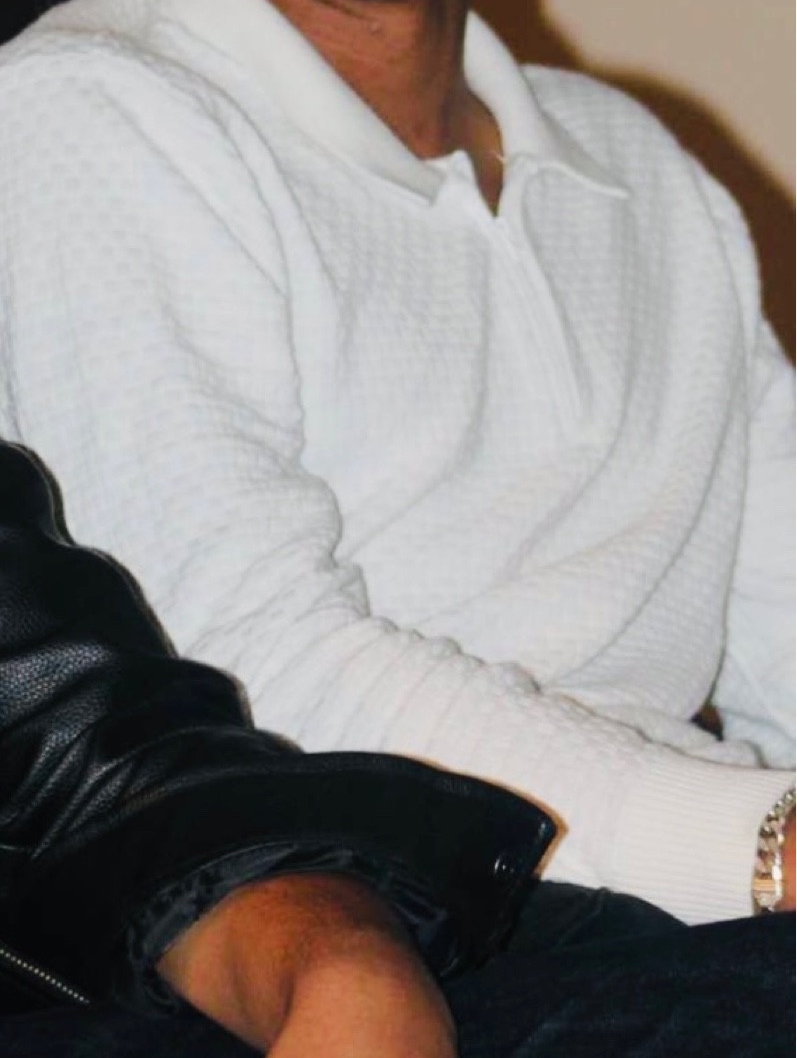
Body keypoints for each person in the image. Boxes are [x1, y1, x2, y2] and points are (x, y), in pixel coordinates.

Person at [0, 0, 792, 932]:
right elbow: (245, 666)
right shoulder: (89, 122)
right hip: (368, 925)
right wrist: (757, 846)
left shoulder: (644, 176)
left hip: (678, 920)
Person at [0, 439, 792, 1058]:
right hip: (481, 868)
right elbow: (264, 641)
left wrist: (347, 974)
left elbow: (94, 770)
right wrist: (756, 846)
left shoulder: (700, 258)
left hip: (374, 901)